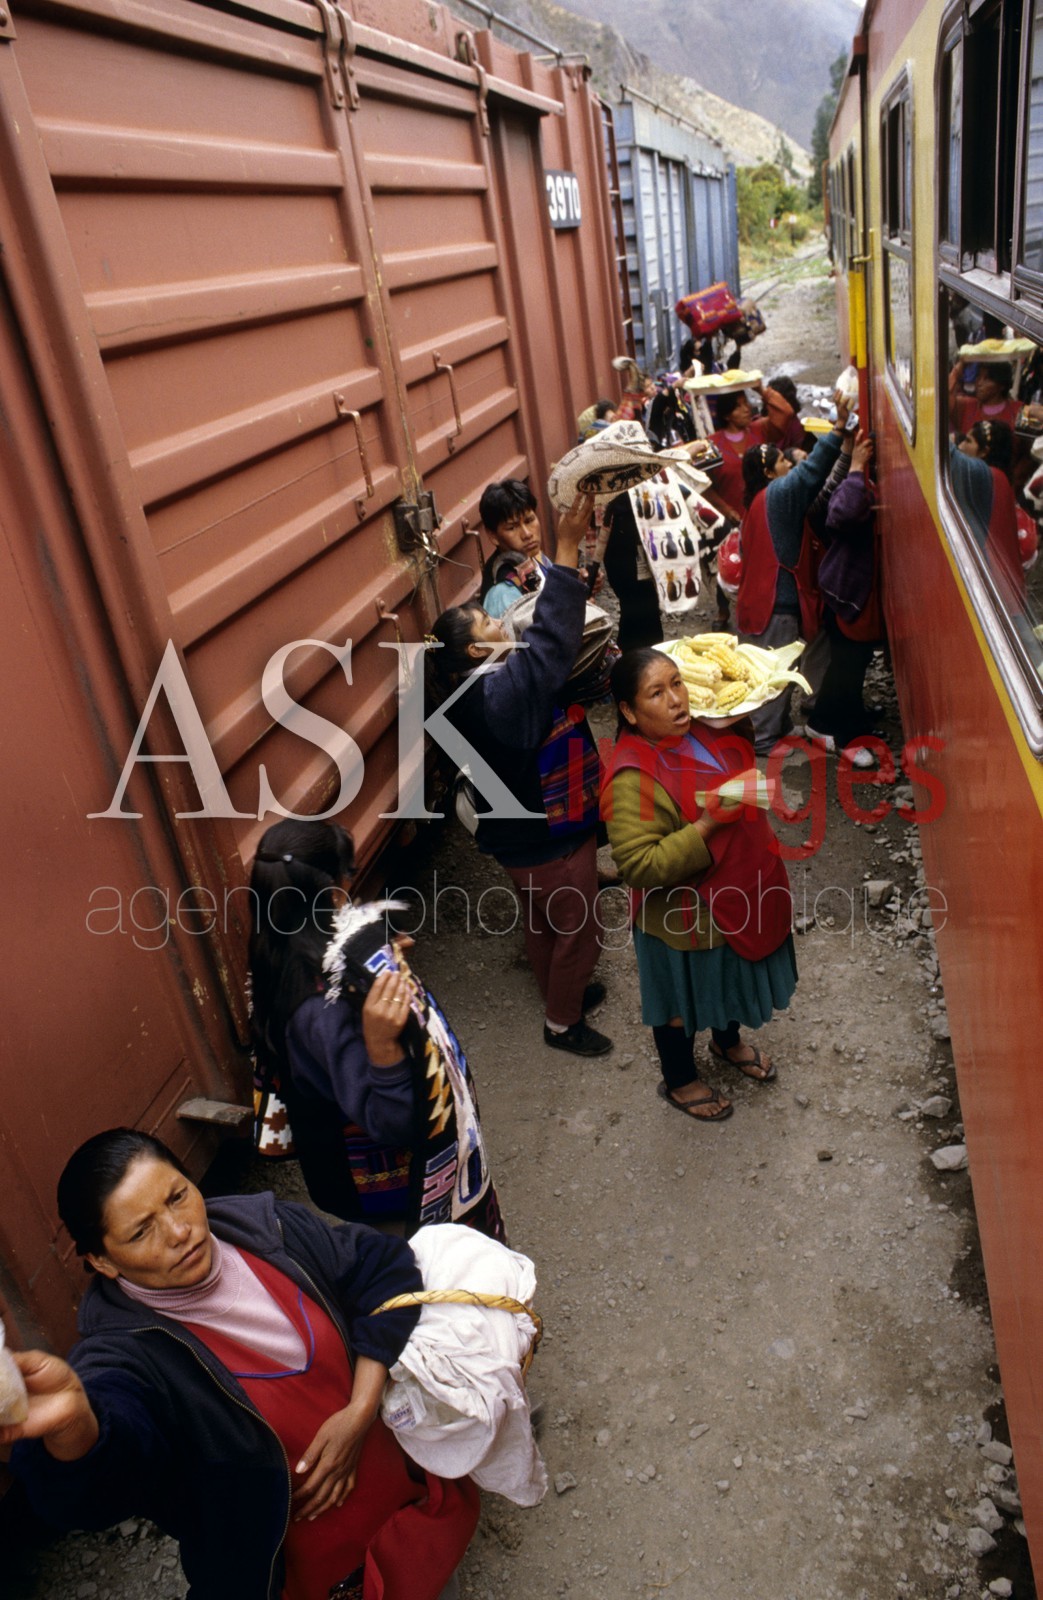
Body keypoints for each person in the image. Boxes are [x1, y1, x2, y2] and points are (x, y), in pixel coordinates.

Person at [4, 1129, 477, 1600]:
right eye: (141, 1231)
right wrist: (77, 1430)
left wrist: (360, 1408)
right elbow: (108, 1479)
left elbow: (385, 1267)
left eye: (177, 1197)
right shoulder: (125, 1357)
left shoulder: (271, 1231)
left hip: (411, 1513)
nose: (180, 1232)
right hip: (306, 1577)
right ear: (103, 1262)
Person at [248, 819, 504, 1240]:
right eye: (349, 874)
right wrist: (383, 1048)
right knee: (426, 1259)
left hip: (338, 1164)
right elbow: (394, 1122)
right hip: (389, 1191)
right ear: (334, 892)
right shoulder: (323, 1009)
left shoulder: (281, 948)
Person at [428, 492, 611, 1058]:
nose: (500, 620)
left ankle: (558, 988)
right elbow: (550, 648)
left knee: (542, 920)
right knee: (579, 929)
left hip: (514, 839)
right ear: (473, 651)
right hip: (548, 838)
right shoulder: (501, 694)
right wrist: (566, 545)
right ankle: (562, 1022)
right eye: (489, 622)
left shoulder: (465, 691)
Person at [602, 650, 796, 1121]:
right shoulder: (631, 776)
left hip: (737, 892)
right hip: (684, 915)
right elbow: (638, 865)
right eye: (656, 693)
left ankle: (726, 1043)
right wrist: (708, 825)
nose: (676, 700)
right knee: (678, 1000)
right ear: (629, 711)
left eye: (677, 683)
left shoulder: (702, 728)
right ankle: (680, 1080)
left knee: (727, 976)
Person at [736, 393, 852, 754]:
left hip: (756, 598)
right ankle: (764, 740)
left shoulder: (756, 503)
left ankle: (781, 726)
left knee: (769, 669)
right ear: (770, 473)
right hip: (776, 600)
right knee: (775, 673)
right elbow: (812, 473)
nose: (791, 462)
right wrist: (837, 430)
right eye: (784, 460)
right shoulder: (779, 494)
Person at [803, 432, 882, 765]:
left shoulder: (866, 483)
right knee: (847, 668)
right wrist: (856, 468)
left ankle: (831, 721)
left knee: (853, 663)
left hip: (855, 591)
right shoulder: (853, 485)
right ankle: (840, 735)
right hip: (848, 593)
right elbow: (842, 514)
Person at [478, 479, 600, 619]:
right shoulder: (502, 594)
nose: (527, 534)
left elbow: (553, 593)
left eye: (529, 520)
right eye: (512, 527)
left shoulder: (533, 557)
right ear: (493, 536)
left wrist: (576, 583)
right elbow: (547, 629)